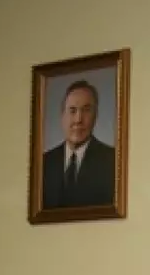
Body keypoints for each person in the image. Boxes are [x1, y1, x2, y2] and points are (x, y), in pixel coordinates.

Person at [42, 79, 115, 208]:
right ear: (62, 116)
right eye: (72, 110)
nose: (78, 119)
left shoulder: (113, 161)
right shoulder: (44, 163)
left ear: (96, 116)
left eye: (86, 110)